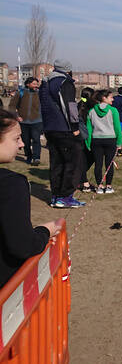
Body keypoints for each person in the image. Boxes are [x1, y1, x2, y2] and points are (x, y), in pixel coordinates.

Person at [0, 109, 62, 286]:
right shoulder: (11, 185)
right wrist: (45, 231)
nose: (21, 144)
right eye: (16, 138)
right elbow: (23, 245)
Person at [39, 60, 85, 209]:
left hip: (50, 128)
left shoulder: (45, 83)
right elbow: (70, 106)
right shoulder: (64, 82)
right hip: (64, 129)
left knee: (56, 163)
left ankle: (56, 195)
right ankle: (65, 196)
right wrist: (75, 127)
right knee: (72, 162)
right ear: (68, 70)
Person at [85, 90, 122, 194]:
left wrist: (88, 143)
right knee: (109, 164)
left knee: (98, 164)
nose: (113, 99)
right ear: (104, 98)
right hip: (110, 140)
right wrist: (119, 142)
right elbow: (117, 128)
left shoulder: (91, 111)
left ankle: (99, 186)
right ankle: (109, 186)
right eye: (111, 97)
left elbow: (89, 129)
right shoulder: (113, 111)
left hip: (96, 141)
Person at [9, 77, 43, 166]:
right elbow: (12, 106)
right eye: (34, 84)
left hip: (37, 121)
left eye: (37, 84)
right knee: (26, 141)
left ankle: (36, 158)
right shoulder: (20, 93)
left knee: (36, 140)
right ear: (28, 84)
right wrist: (16, 116)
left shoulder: (40, 94)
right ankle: (28, 156)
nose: (36, 86)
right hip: (23, 122)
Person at [77, 87, 96, 193]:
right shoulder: (91, 107)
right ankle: (84, 182)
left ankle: (81, 179)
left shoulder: (78, 105)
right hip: (86, 137)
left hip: (80, 136)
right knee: (86, 159)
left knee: (84, 159)